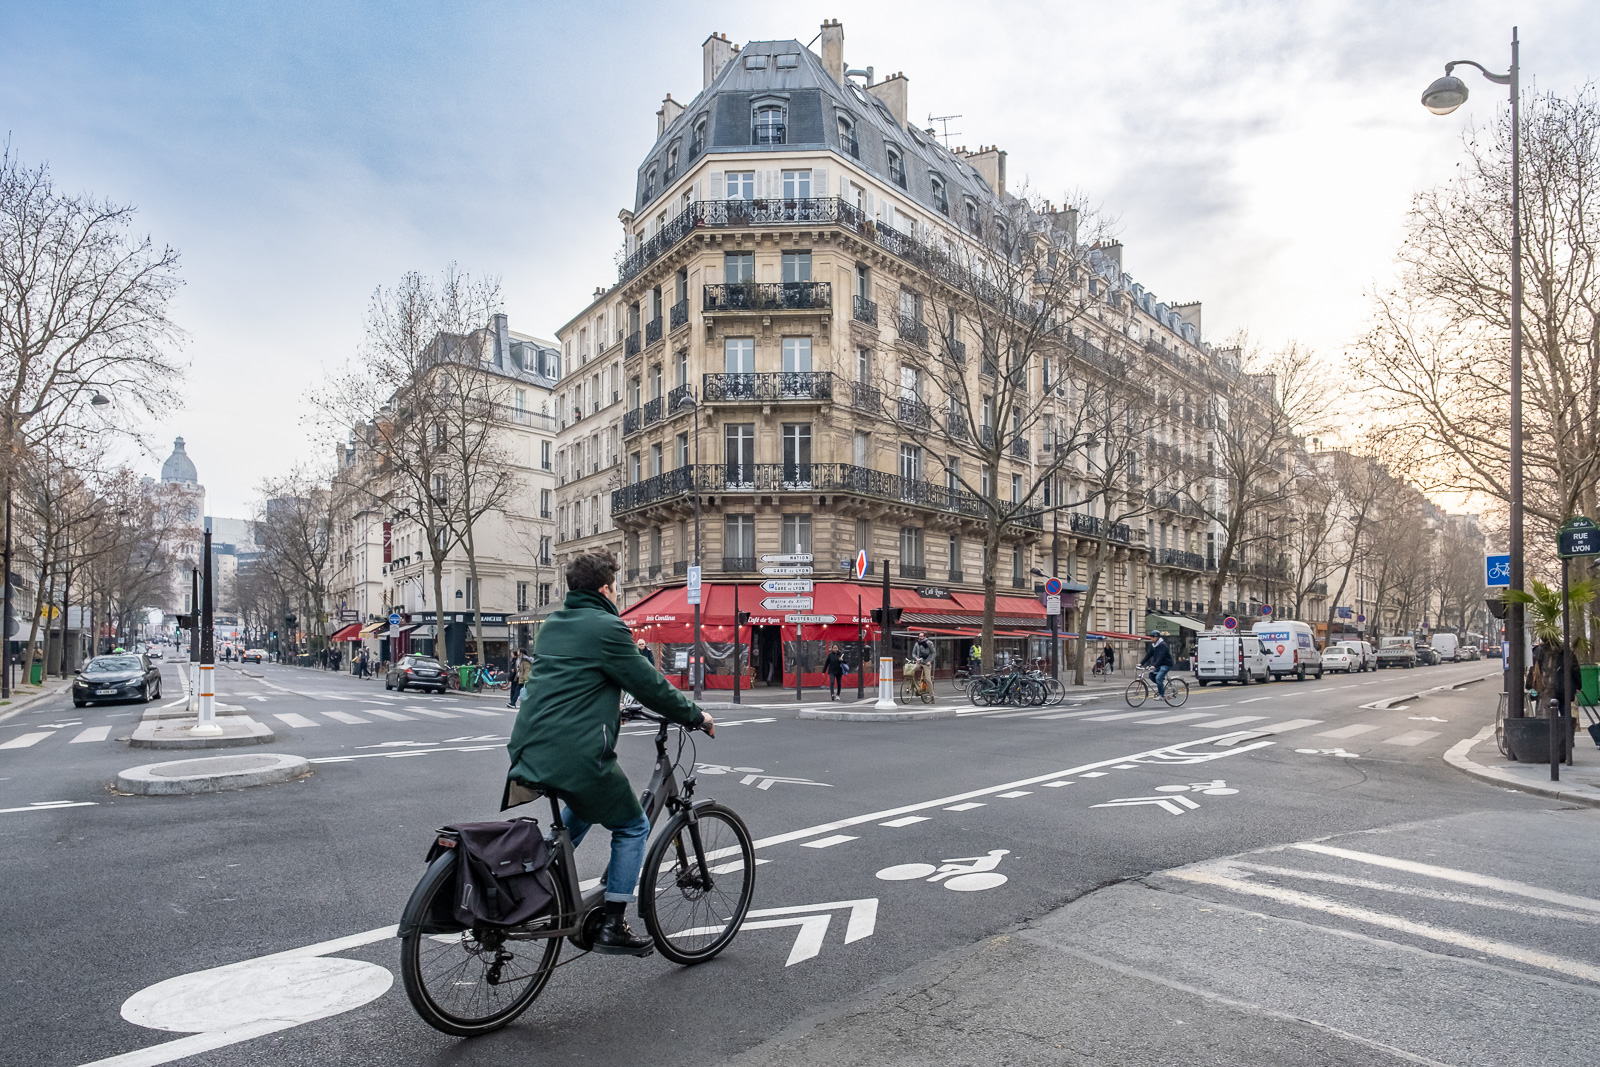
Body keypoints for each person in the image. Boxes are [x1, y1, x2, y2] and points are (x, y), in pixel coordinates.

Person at [504, 549, 713, 957]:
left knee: (584, 807)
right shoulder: (607, 627)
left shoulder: (553, 625)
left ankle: (535, 874)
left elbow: (574, 681)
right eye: (615, 586)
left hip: (529, 748)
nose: (616, 593)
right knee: (632, 826)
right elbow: (648, 683)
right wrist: (694, 715)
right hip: (576, 754)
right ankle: (613, 923)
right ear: (605, 588)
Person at [1139, 631, 1173, 697]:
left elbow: (1160, 657)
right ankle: (1161, 686)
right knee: (1151, 675)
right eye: (1151, 637)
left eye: (1153, 637)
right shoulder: (1153, 645)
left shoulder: (1163, 645)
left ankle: (1161, 695)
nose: (1151, 638)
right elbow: (1149, 655)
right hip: (1159, 664)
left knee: (1158, 678)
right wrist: (1141, 663)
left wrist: (1154, 665)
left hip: (1166, 664)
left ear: (1157, 637)